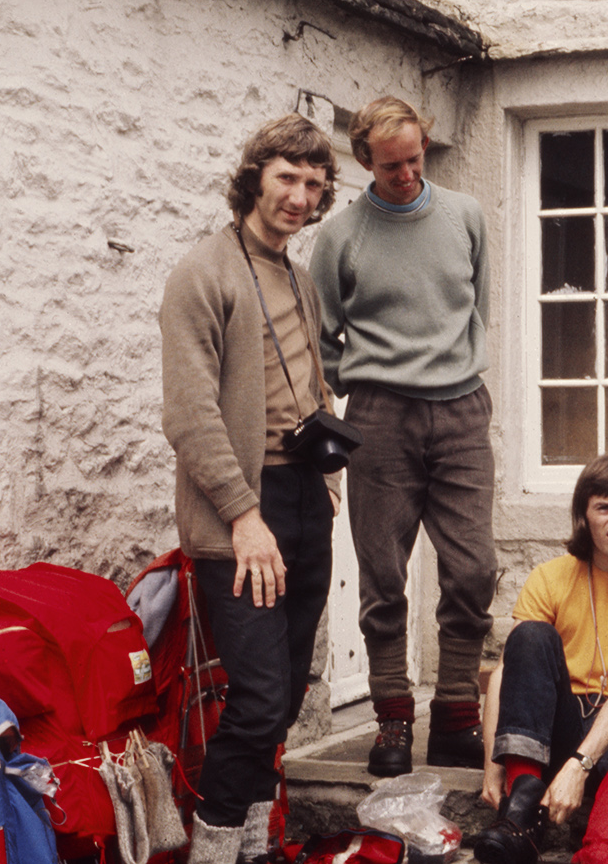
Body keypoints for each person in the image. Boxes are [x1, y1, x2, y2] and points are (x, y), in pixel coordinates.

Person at [160, 113, 341, 864]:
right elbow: (189, 412)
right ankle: (213, 849)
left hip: (303, 498)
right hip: (244, 512)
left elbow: (307, 379)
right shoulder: (203, 273)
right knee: (259, 696)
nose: (299, 196)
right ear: (253, 179)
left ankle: (255, 845)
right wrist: (243, 516)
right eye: (286, 178)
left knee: (289, 694)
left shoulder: (297, 276)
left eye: (313, 183)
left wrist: (326, 470)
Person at [310, 95, 497, 776]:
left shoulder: (465, 215)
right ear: (363, 163)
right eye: (392, 166)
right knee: (383, 572)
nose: (408, 173)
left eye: (416, 158)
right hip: (380, 415)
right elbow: (319, 334)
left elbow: (479, 303)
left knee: (473, 565)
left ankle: (455, 712)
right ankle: (392, 718)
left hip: (462, 409)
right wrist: (359, 388)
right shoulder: (341, 237)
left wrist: (459, 372)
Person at [472, 454, 608, 864]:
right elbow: (508, 673)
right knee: (531, 635)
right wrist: (492, 764)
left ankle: (601, 857)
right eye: (604, 507)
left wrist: (578, 765)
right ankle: (521, 815)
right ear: (584, 513)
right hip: (555, 721)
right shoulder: (550, 576)